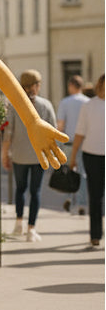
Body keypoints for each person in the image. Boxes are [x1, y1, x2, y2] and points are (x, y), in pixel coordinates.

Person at [1, 70, 58, 242]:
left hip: (19, 155)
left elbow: (8, 133)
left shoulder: (14, 105)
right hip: (39, 156)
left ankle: (18, 224)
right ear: (36, 86)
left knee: (20, 189)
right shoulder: (46, 105)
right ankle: (31, 230)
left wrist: (5, 154)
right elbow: (53, 131)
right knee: (36, 191)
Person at [69, 74, 105, 249]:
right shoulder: (88, 106)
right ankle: (95, 235)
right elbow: (80, 133)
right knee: (95, 197)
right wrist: (73, 156)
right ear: (99, 85)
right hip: (92, 155)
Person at [57, 75, 89, 214]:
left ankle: (69, 198)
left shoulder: (65, 102)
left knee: (68, 171)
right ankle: (82, 204)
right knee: (82, 173)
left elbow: (60, 125)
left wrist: (58, 144)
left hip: (69, 142)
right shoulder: (88, 102)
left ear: (71, 86)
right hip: (85, 142)